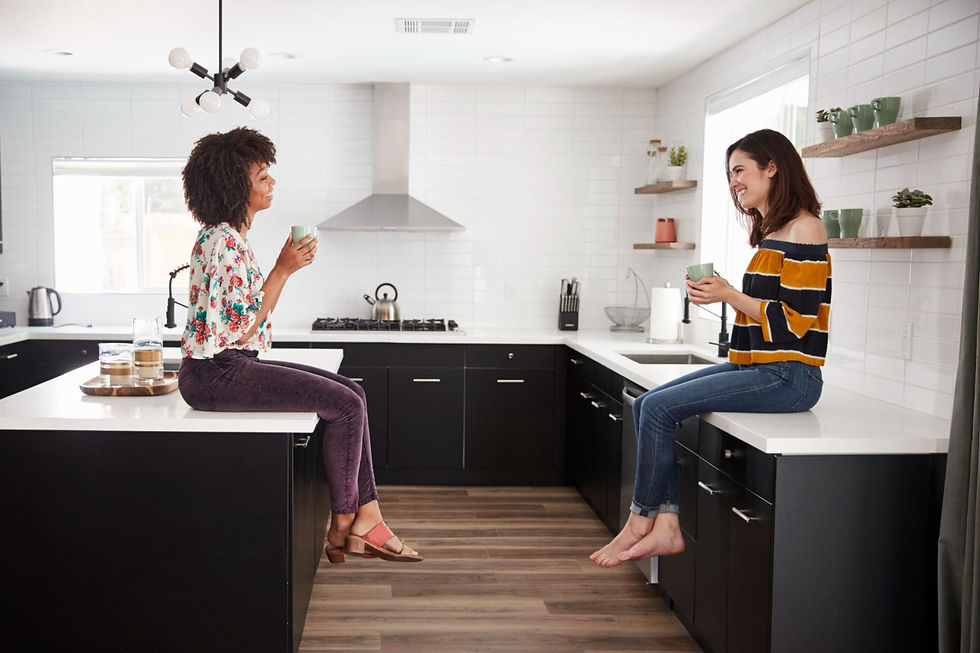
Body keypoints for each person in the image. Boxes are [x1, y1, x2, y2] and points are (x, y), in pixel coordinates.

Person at [176, 127, 422, 563]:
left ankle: (365, 514)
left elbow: (244, 323)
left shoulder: (228, 237)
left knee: (354, 395)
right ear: (236, 186)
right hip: (217, 374)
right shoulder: (223, 242)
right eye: (263, 177)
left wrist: (282, 268)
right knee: (345, 406)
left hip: (225, 367)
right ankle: (349, 521)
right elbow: (242, 330)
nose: (272, 183)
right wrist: (283, 268)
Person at [591, 128, 830, 567]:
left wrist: (729, 295)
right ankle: (664, 525)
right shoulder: (774, 232)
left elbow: (796, 323)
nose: (734, 181)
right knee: (647, 404)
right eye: (730, 173)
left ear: (772, 167)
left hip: (790, 377)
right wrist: (721, 294)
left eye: (740, 170)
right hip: (756, 368)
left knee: (659, 410)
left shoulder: (806, 228)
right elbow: (767, 310)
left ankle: (640, 522)